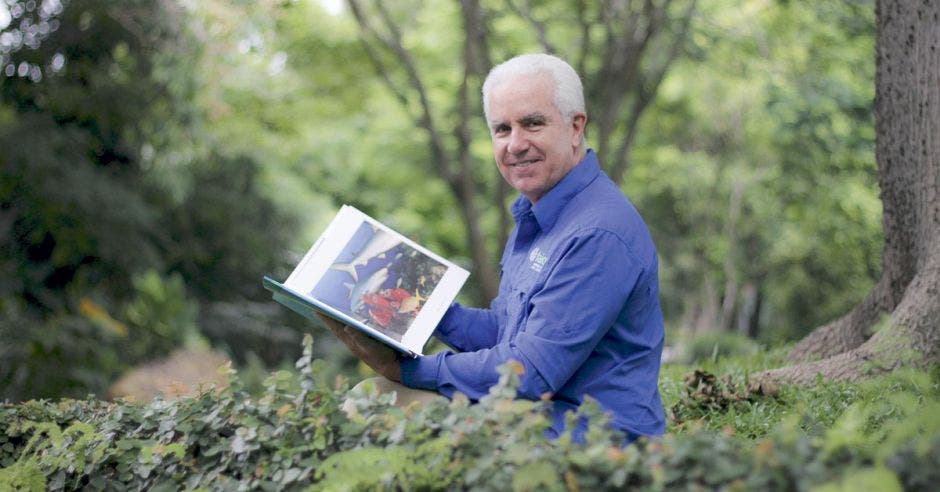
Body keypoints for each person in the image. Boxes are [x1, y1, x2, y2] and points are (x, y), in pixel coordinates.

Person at [321, 53, 665, 442]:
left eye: (532, 123)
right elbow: (507, 331)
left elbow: (529, 371)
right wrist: (420, 310)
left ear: (575, 126)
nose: (516, 144)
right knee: (371, 398)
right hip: (536, 417)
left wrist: (409, 370)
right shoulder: (538, 213)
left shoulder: (598, 232)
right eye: (502, 129)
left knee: (375, 403)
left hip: (593, 441)